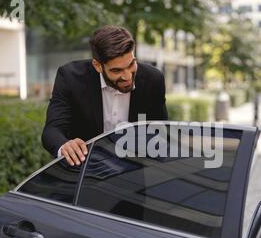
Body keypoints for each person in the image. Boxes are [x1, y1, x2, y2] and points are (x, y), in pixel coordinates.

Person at [42, 25, 168, 166]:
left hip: (136, 171)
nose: (127, 76)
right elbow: (52, 130)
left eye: (131, 64)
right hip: (84, 172)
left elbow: (160, 133)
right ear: (97, 65)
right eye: (116, 70)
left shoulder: (153, 80)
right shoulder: (70, 77)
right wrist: (65, 145)